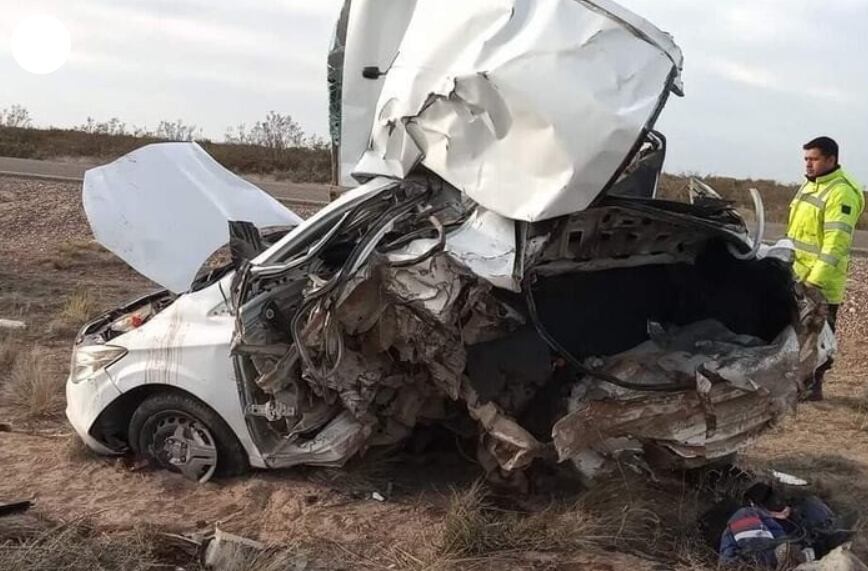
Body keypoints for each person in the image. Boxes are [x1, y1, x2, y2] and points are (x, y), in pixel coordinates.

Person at [787, 136, 865, 400]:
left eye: (814, 159)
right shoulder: (811, 186)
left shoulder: (840, 192)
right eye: (806, 159)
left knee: (818, 336)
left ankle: (812, 388)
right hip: (799, 275)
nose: (808, 164)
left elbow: (835, 243)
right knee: (799, 334)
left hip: (820, 283)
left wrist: (814, 281)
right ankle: (800, 384)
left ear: (831, 159)